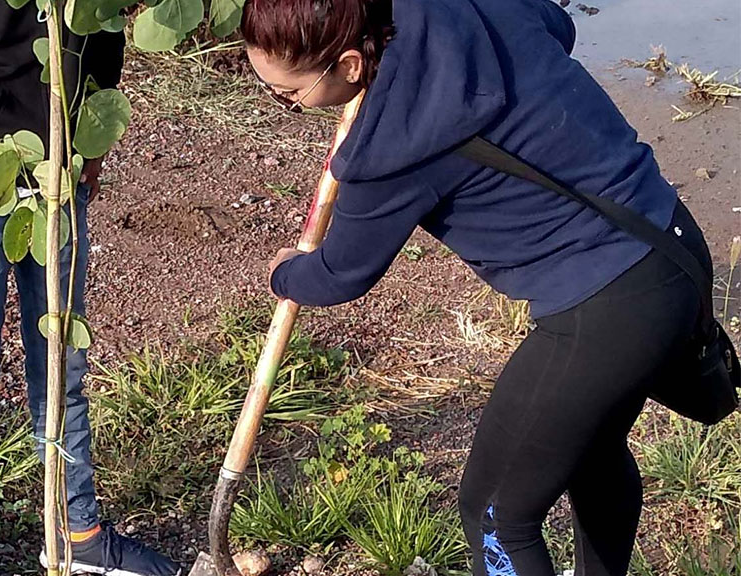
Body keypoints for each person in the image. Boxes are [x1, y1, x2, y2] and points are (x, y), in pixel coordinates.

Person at [242, 0, 714, 574]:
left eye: (286, 94)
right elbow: (557, 26)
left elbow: (341, 274)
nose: (283, 102)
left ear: (349, 65)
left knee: (495, 515)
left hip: (605, 314)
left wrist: (284, 271)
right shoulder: (462, 5)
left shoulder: (389, 150)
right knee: (590, 452)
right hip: (670, 239)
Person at [0, 0, 181, 574]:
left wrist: (90, 142)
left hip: (59, 167)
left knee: (62, 357)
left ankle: (78, 532)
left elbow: (102, 32)